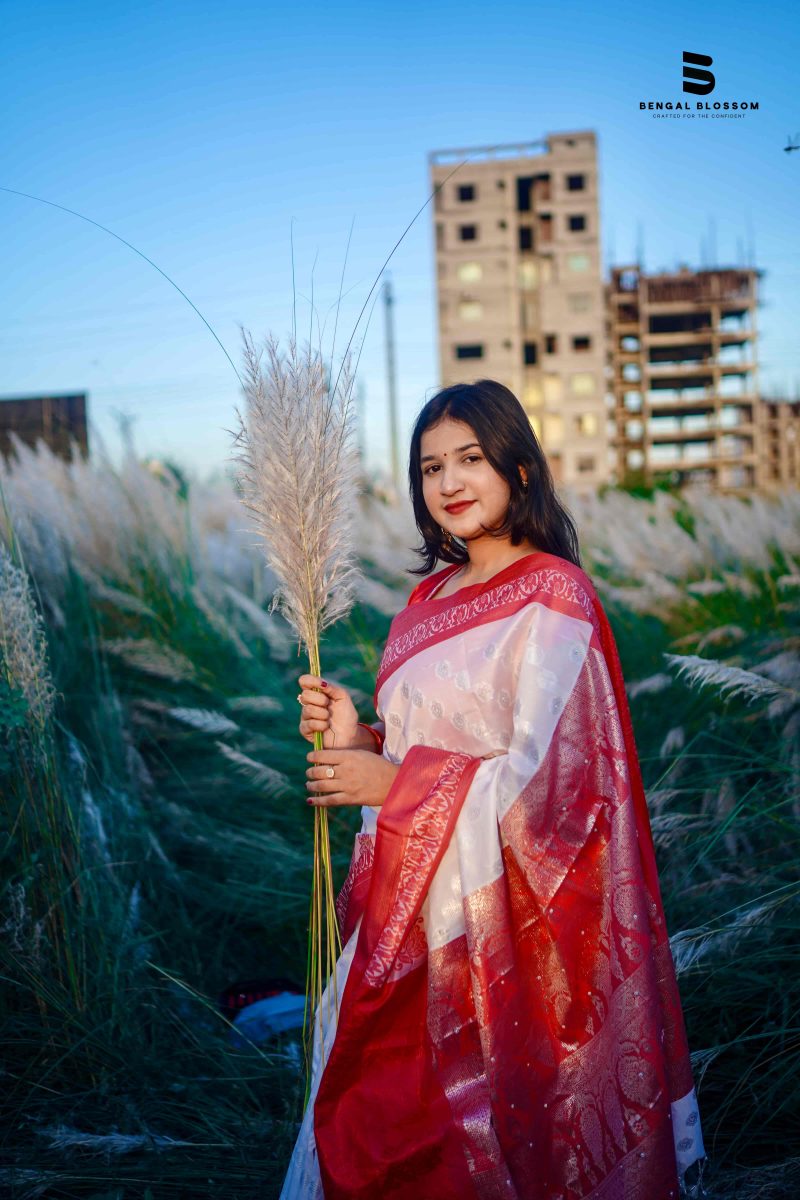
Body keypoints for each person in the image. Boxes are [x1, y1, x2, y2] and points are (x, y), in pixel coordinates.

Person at [281, 380, 707, 1200]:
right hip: (404, 911)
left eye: (470, 459)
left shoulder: (554, 594)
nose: (449, 483)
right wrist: (355, 739)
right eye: (431, 466)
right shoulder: (421, 605)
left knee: (488, 1138)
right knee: (379, 1127)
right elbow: (407, 746)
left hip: (499, 929)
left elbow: (553, 788)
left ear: (517, 464)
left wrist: (392, 782)